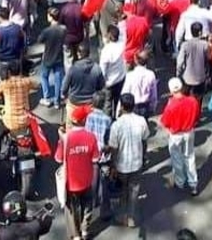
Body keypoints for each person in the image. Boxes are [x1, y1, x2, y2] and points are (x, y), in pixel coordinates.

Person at [56, 104, 100, 240]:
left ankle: (75, 235)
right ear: (84, 121)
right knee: (88, 204)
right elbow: (96, 158)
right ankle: (85, 230)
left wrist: (61, 138)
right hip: (87, 180)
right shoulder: (91, 137)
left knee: (71, 209)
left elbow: (58, 158)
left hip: (70, 183)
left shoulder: (66, 138)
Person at [107, 93, 149, 229]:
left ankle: (122, 215)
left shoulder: (116, 125)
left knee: (123, 190)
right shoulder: (141, 121)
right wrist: (144, 156)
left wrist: (112, 166)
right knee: (134, 191)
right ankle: (131, 217)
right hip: (137, 163)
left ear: (122, 106)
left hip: (122, 165)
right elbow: (144, 140)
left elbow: (113, 148)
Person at [162, 78, 200, 196]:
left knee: (177, 159)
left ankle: (180, 181)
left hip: (175, 135)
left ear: (170, 90)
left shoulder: (171, 105)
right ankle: (193, 184)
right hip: (189, 132)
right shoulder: (193, 101)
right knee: (190, 157)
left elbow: (165, 122)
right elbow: (197, 117)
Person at [0, 59, 40, 134]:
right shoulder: (26, 81)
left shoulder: (5, 84)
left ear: (9, 72)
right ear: (20, 71)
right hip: (25, 121)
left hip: (10, 122)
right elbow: (37, 86)